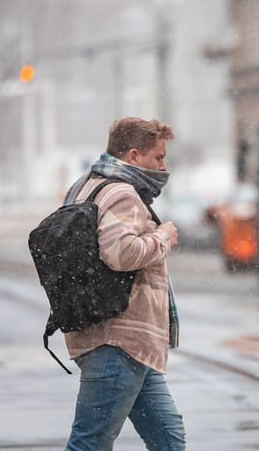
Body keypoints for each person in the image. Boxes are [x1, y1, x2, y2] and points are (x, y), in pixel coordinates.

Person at [63, 117, 186, 451]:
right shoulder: (121, 193)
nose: (163, 166)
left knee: (169, 439)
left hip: (119, 339)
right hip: (118, 341)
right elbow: (121, 252)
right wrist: (163, 236)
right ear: (133, 156)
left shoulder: (85, 185)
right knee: (90, 443)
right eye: (158, 157)